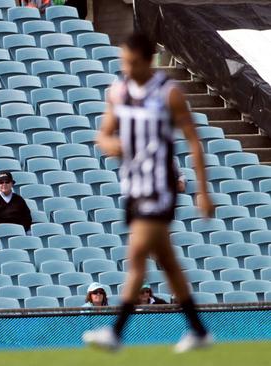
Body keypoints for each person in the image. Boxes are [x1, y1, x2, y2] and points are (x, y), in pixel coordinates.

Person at [83, 32, 214, 353]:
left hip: (159, 188)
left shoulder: (168, 94)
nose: (126, 68)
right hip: (133, 187)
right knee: (167, 262)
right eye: (123, 62)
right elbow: (104, 136)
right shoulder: (118, 92)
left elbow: (193, 141)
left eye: (132, 63)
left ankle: (115, 332)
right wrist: (117, 146)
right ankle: (198, 329)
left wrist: (203, 190)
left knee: (137, 254)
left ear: (148, 60)